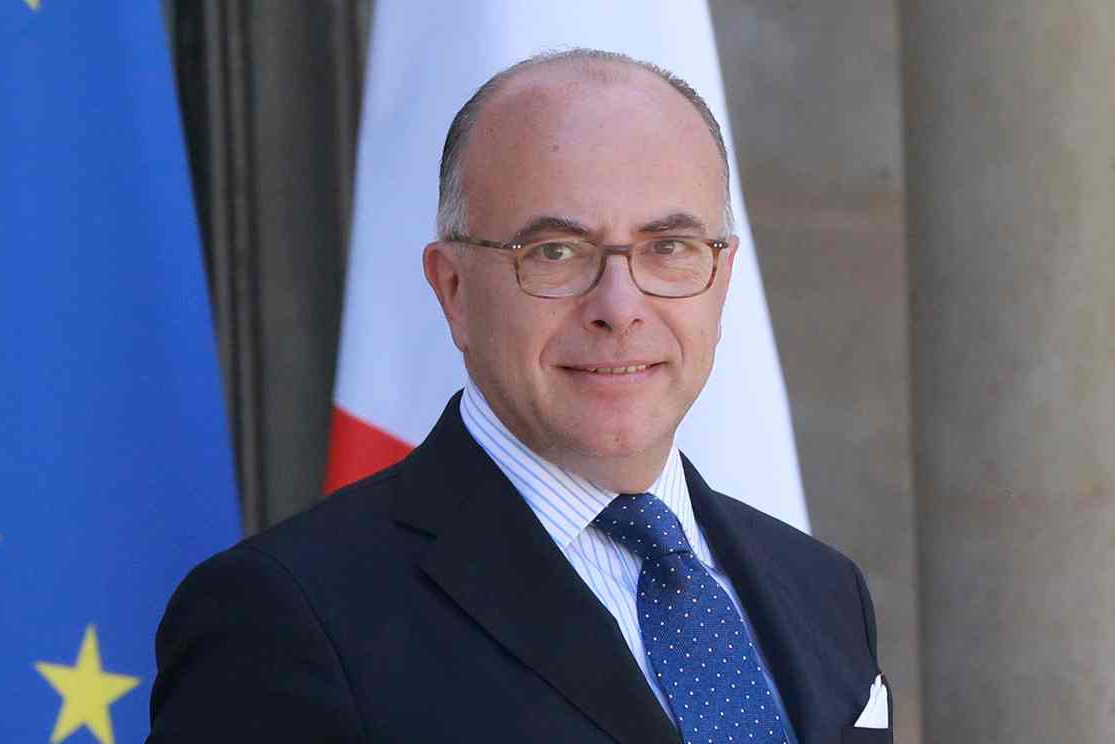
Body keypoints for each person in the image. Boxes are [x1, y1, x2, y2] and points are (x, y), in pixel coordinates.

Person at [146, 49, 891, 744]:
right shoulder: (286, 616)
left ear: (721, 280)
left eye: (669, 247)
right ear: (454, 290)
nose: (619, 307)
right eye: (555, 252)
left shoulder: (823, 591)